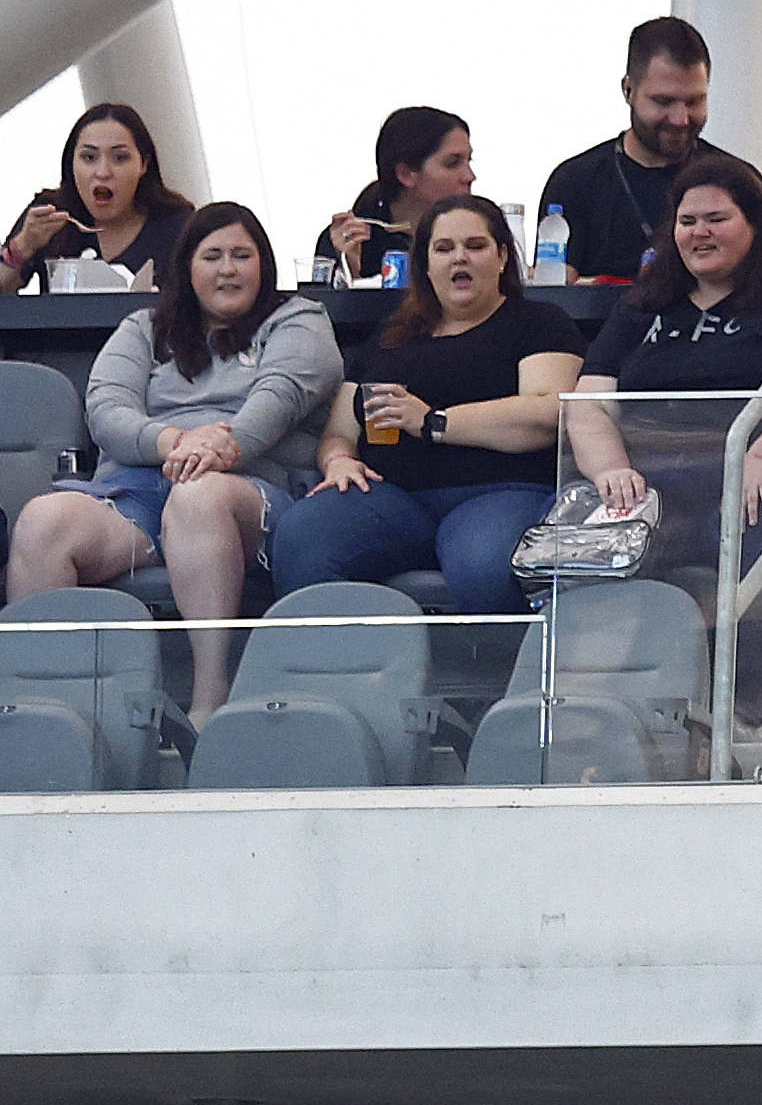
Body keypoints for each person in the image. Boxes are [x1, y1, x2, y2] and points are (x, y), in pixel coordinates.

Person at [4, 203, 340, 722]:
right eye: (212, 256)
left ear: (263, 265)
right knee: (43, 520)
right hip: (140, 487)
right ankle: (42, 712)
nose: (227, 268)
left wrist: (222, 446)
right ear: (186, 267)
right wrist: (176, 441)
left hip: (246, 487)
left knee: (198, 495)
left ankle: (208, 701)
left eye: (241, 255)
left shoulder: (298, 319)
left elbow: (283, 394)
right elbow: (106, 407)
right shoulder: (144, 327)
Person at [562, 152, 762, 717]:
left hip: (755, 475)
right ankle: (580, 711)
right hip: (649, 479)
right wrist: (609, 473)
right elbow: (588, 406)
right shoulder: (644, 302)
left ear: (756, 222)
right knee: (578, 532)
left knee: (761, 518)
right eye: (687, 221)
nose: (699, 233)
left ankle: (734, 714)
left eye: (716, 219)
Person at [270, 194, 583, 615]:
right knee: (301, 537)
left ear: (503, 256)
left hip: (501, 491)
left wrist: (434, 422)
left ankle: (503, 676)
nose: (460, 260)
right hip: (392, 496)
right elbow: (340, 432)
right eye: (444, 249)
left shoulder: (538, 322)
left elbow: (547, 414)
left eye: (475, 246)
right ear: (426, 264)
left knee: (484, 564)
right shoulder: (391, 335)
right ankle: (334, 674)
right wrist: (338, 462)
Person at [537, 18, 714, 284]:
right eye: (663, 101)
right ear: (628, 90)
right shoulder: (575, 182)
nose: (680, 119)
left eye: (694, 101)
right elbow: (556, 294)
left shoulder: (736, 183)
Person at [2, 101, 193, 295]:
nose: (102, 172)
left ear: (144, 164)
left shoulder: (177, 224)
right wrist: (22, 246)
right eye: (89, 157)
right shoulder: (51, 214)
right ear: (71, 164)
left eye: (120, 158)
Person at [317, 108, 475, 282]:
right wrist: (351, 271)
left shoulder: (477, 236)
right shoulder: (356, 241)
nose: (470, 176)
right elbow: (324, 306)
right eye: (452, 163)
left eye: (468, 161)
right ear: (406, 174)